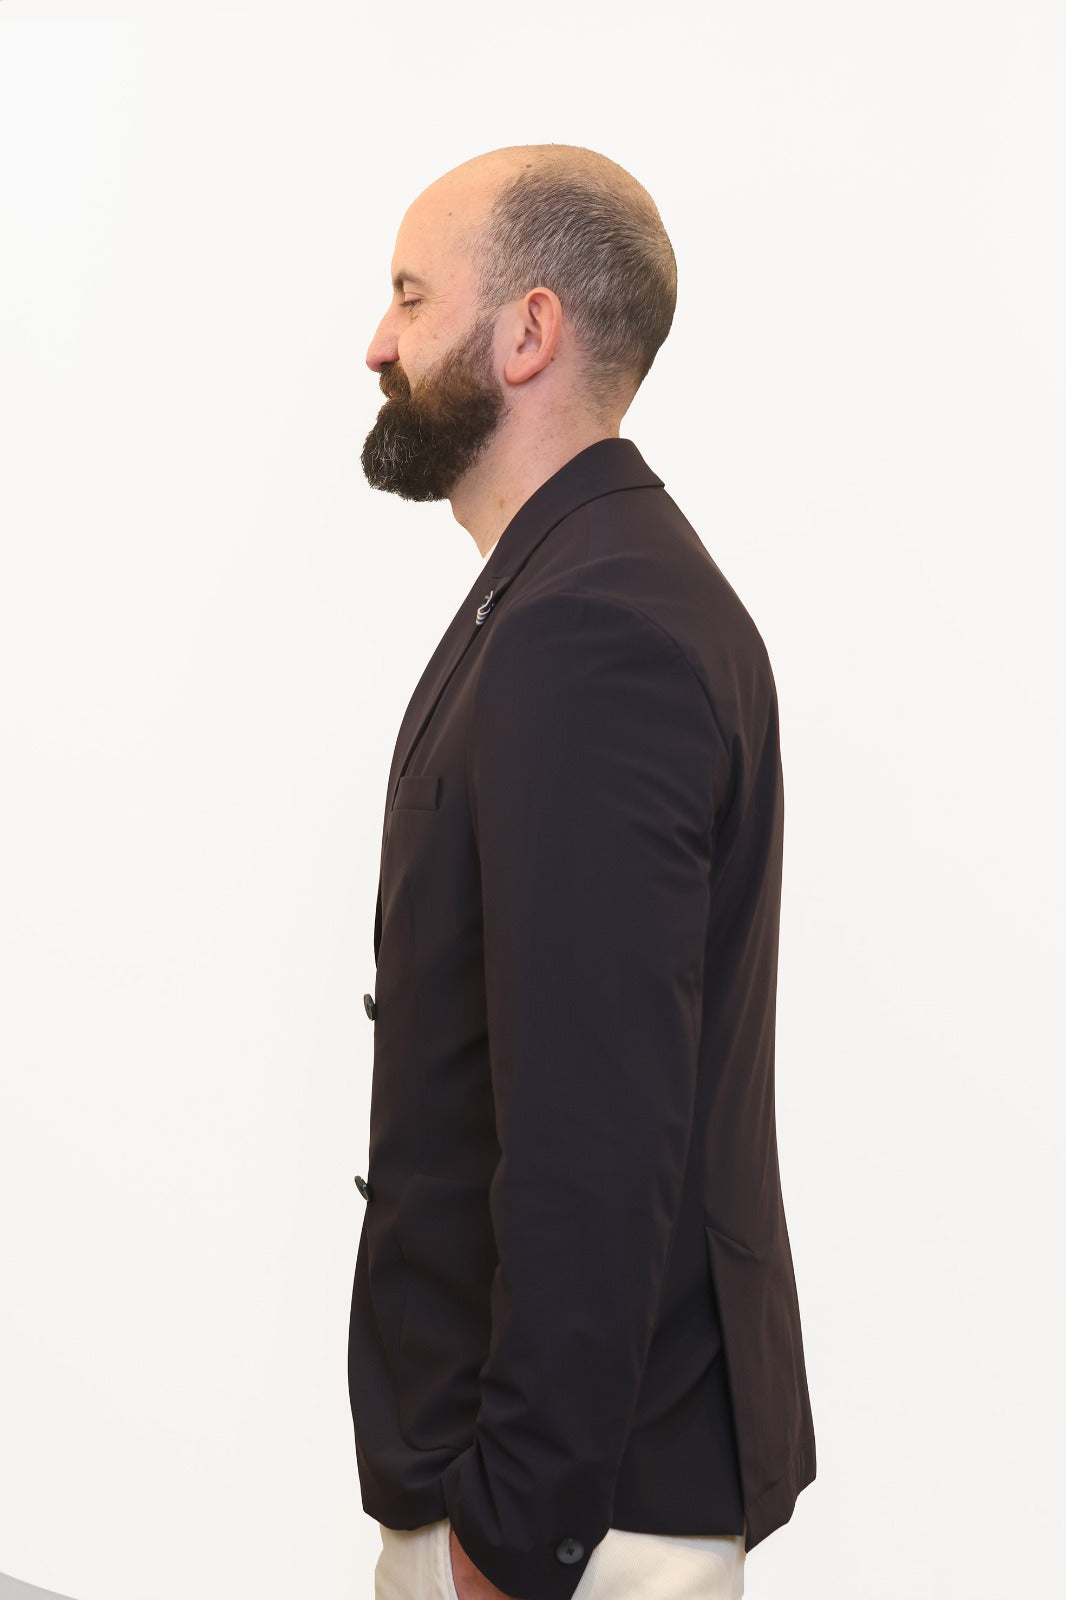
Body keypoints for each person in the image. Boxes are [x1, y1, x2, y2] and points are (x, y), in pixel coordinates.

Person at [348, 143, 816, 1600]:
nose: (376, 346)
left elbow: (594, 1128)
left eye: (411, 298)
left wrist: (513, 1535)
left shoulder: (592, 626)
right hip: (565, 1500)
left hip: (570, 1527)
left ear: (528, 331)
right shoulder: (585, 587)